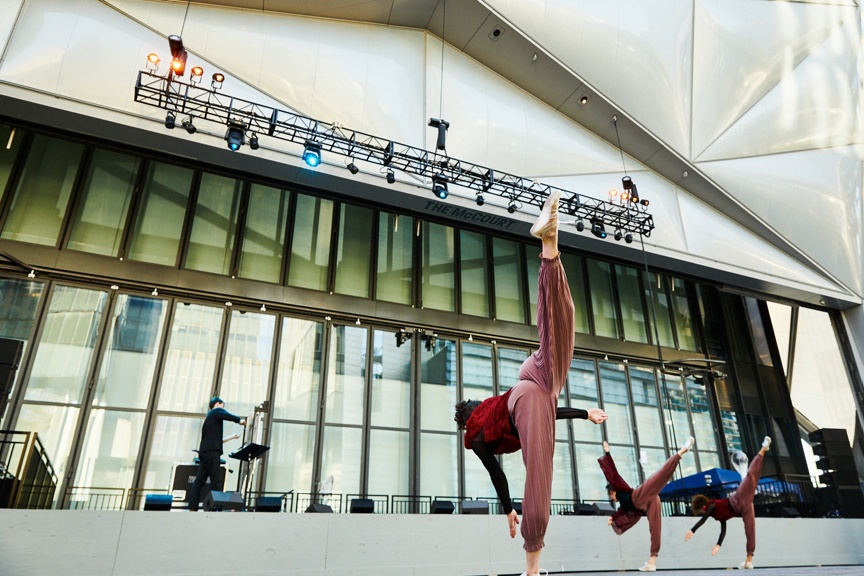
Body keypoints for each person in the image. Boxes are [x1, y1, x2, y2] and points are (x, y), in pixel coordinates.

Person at [455, 191, 607, 576]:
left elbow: (498, 475)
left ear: (466, 421)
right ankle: (549, 248)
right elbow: (548, 410)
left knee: (538, 475)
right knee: (560, 328)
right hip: (533, 379)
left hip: (528, 395)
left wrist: (508, 510)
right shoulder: (494, 407)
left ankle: (533, 565)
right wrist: (586, 412)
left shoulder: (476, 437)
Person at [598, 437, 695, 572]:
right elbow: (621, 512)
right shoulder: (623, 505)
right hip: (647, 503)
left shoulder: (619, 487)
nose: (612, 498)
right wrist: (613, 518)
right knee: (655, 528)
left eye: (610, 496)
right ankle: (652, 561)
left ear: (612, 491)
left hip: (638, 496)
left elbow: (612, 473)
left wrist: (607, 453)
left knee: (657, 478)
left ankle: (680, 453)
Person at [684, 436, 772, 570]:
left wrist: (692, 530)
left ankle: (763, 448)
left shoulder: (712, 506)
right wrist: (718, 545)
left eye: (701, 510)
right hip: (745, 507)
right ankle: (748, 561)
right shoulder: (718, 515)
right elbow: (723, 530)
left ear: (703, 506)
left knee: (751, 476)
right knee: (750, 532)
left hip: (738, 499)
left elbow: (703, 519)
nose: (703, 512)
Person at [188, 396, 246, 511]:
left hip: (205, 452)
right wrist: (241, 421)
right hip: (212, 453)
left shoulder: (210, 418)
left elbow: (215, 440)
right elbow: (228, 416)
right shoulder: (216, 411)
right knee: (216, 479)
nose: (223, 409)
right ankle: (218, 507)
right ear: (217, 404)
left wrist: (231, 437)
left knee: (199, 480)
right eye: (222, 406)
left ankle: (192, 507)